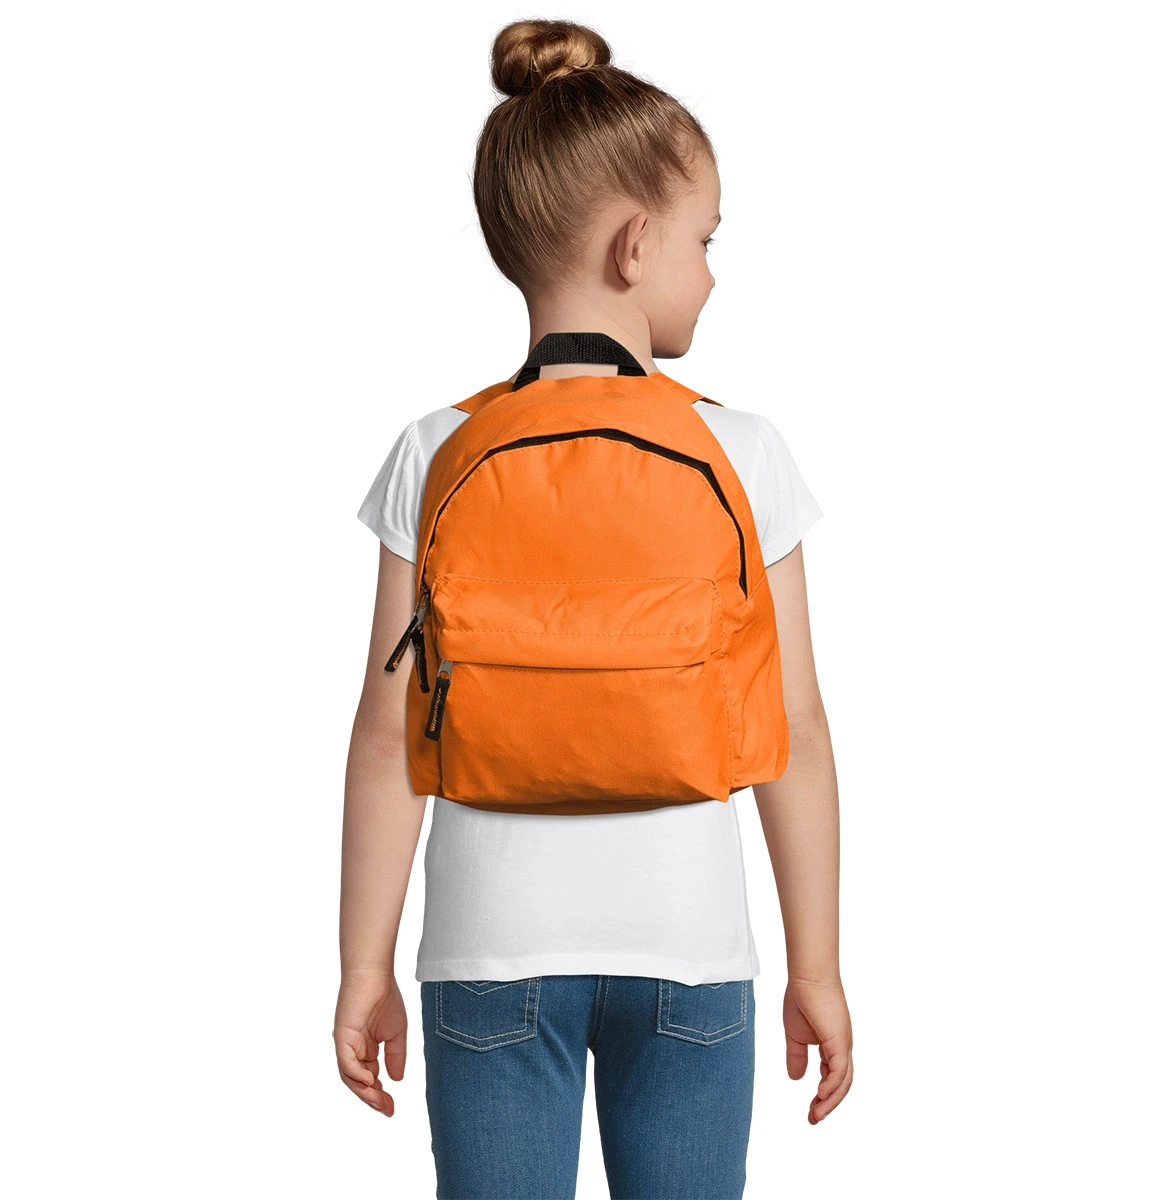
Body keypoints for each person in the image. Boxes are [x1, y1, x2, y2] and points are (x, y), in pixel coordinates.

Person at [334, 17, 853, 1199]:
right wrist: (815, 965)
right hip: (692, 953)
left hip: (486, 956)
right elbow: (798, 731)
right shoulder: (742, 449)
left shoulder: (436, 447)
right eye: (705, 240)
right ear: (635, 244)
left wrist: (365, 963)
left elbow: (385, 733)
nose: (711, 272)